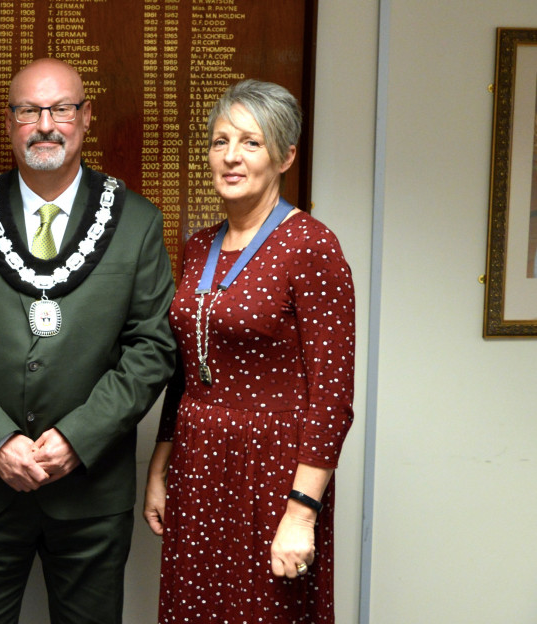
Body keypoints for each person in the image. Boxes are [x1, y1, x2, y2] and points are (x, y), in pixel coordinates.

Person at [0, 58, 177, 624]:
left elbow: (152, 348)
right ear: (8, 122)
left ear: (86, 118)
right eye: (29, 110)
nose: (45, 124)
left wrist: (77, 438)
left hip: (90, 492)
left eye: (61, 109)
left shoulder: (137, 222)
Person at [143, 79, 355, 623]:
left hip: (272, 473)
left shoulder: (311, 245)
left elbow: (332, 396)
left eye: (251, 142)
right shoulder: (197, 246)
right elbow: (186, 369)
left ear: (285, 157)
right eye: (220, 141)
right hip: (197, 467)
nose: (231, 156)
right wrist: (160, 467)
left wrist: (302, 512)